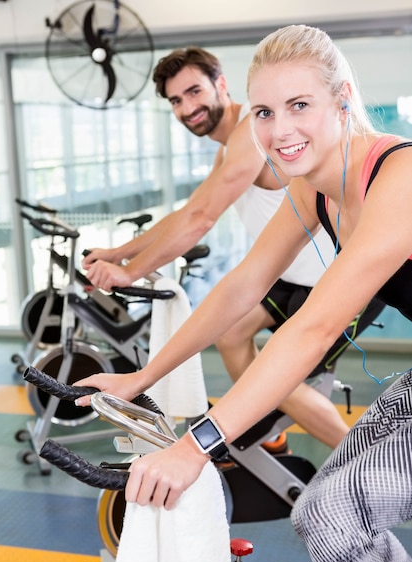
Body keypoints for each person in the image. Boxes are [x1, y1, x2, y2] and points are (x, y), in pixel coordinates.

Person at [75, 25, 412, 562]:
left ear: (343, 97)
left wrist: (197, 445)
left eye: (299, 106)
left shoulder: (398, 177)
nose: (280, 130)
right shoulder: (314, 190)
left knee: (335, 509)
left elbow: (311, 329)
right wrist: (140, 378)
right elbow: (241, 287)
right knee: (316, 509)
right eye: (265, 111)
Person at [82, 46, 383, 450]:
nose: (187, 107)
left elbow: (201, 218)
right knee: (232, 336)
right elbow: (194, 216)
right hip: (292, 275)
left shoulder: (250, 134)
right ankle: (271, 435)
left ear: (220, 84)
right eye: (176, 100)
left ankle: (359, 459)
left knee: (281, 374)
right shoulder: (244, 156)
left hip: (338, 279)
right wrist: (120, 255)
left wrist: (129, 272)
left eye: (194, 91)